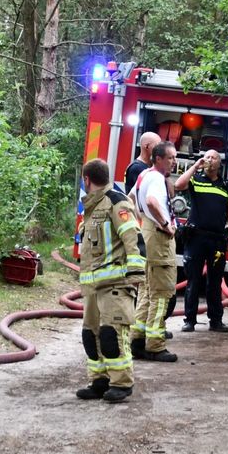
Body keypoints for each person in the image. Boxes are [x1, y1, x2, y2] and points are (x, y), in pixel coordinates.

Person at [75, 159, 145, 403]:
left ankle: (121, 383)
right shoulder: (92, 207)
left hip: (115, 284)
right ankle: (99, 380)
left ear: (86, 180)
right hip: (93, 287)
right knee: (90, 335)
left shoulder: (116, 202)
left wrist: (136, 274)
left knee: (111, 334)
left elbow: (133, 237)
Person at [173, 149, 228, 333]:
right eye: (206, 157)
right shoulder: (196, 179)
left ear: (219, 162)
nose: (209, 160)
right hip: (196, 238)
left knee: (215, 282)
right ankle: (189, 320)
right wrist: (195, 166)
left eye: (213, 157)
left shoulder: (225, 185)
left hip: (217, 240)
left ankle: (216, 321)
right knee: (193, 280)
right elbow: (178, 184)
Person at [129, 142, 179, 362]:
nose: (174, 162)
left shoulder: (143, 176)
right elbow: (151, 201)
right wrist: (166, 224)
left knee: (146, 293)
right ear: (158, 158)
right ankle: (155, 346)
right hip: (159, 240)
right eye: (170, 158)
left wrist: (140, 221)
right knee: (161, 294)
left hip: (146, 234)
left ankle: (137, 340)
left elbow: (130, 200)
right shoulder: (157, 178)